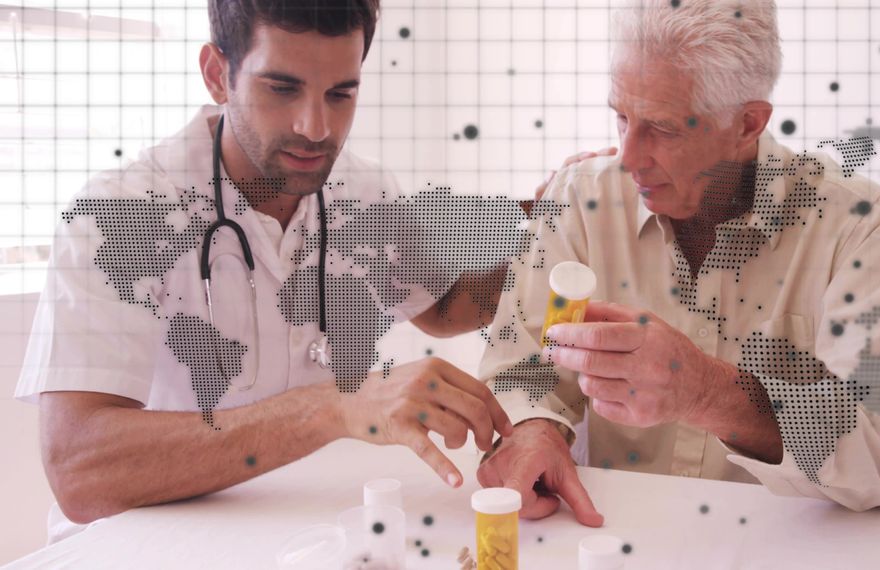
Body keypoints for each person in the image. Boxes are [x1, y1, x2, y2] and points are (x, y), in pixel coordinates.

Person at [15, 0, 516, 540]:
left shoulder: (365, 194)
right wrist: (332, 407)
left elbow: (442, 308)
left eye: (341, 93)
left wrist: (544, 233)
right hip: (145, 547)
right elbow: (81, 471)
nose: (316, 128)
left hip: (301, 535)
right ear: (217, 75)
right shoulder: (122, 215)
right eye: (282, 88)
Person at [476, 0, 880, 527]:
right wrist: (536, 428)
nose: (628, 157)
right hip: (611, 538)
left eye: (664, 128)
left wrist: (714, 394)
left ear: (747, 123)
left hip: (784, 546)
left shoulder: (854, 225)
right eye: (622, 116)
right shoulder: (581, 200)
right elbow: (521, 370)